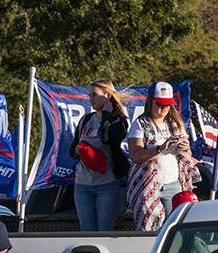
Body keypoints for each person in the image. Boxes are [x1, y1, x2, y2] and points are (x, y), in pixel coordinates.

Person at [126, 81, 201, 231]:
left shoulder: (175, 124)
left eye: (167, 104)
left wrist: (185, 148)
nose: (164, 108)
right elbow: (135, 156)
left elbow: (189, 155)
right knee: (150, 228)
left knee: (175, 228)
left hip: (173, 183)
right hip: (148, 184)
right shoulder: (140, 124)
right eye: (160, 104)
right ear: (151, 101)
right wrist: (159, 149)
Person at [68, 79, 130, 231]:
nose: (91, 99)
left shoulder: (119, 121)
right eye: (89, 96)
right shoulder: (86, 120)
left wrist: (107, 115)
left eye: (95, 95)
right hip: (82, 185)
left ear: (108, 95)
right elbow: (71, 150)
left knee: (104, 232)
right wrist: (76, 150)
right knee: (87, 232)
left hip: (107, 185)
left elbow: (106, 138)